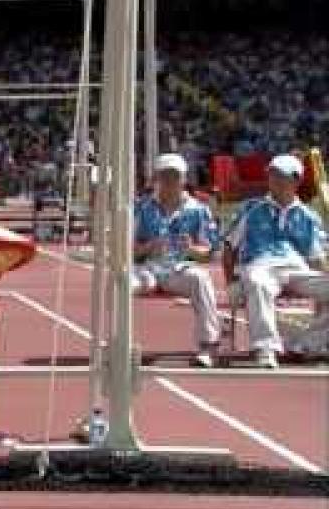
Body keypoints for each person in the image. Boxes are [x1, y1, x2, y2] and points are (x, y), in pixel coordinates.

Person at [223, 154, 329, 368]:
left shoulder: (308, 217)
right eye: (272, 175)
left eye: (282, 175)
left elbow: (316, 258)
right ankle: (265, 348)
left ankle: (306, 345)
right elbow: (229, 247)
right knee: (258, 282)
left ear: (296, 181)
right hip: (260, 266)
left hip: (295, 269)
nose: (276, 180)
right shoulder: (251, 209)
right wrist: (231, 281)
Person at [131, 154, 222, 367]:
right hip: (147, 269)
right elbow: (128, 250)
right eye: (164, 176)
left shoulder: (199, 210)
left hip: (179, 270)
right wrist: (149, 246)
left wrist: (191, 249)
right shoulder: (141, 208)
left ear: (183, 179)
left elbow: (209, 252)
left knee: (200, 279)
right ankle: (119, 344)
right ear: (156, 178)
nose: (170, 181)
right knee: (122, 282)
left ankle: (208, 346)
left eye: (175, 176)